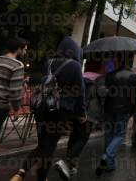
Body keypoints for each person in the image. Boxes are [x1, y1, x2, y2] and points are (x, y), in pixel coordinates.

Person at [10, 37, 85, 181]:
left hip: (42, 109)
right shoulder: (75, 66)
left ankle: (38, 176)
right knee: (48, 146)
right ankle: (22, 171)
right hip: (60, 111)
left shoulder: (49, 62)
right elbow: (80, 92)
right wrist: (81, 113)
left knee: (44, 143)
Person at [54, 72, 107, 180]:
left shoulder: (81, 84)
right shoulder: (97, 85)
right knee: (82, 138)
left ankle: (71, 166)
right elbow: (102, 99)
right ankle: (66, 161)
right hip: (89, 116)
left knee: (74, 137)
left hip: (77, 114)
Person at [95, 55, 136, 176]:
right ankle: (107, 157)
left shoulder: (110, 75)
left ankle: (110, 164)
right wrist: (133, 110)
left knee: (109, 134)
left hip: (109, 108)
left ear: (119, 61)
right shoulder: (135, 77)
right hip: (124, 109)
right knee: (119, 134)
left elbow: (106, 93)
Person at [0, 37, 27, 157]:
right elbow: (14, 91)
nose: (25, 52)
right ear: (19, 49)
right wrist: (17, 109)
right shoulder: (17, 65)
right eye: (24, 49)